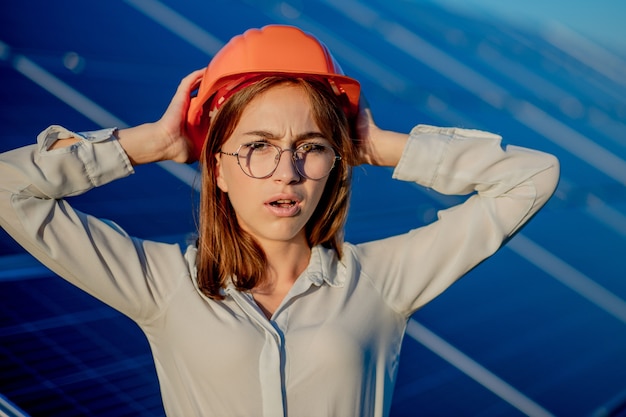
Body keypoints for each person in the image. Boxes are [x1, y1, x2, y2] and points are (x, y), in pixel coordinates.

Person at [0, 24, 559, 417]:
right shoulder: (162, 285)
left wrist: (382, 145)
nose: (287, 173)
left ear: (336, 161)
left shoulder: (382, 280)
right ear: (217, 168)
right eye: (258, 146)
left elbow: (531, 178)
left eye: (311, 147)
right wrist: (152, 142)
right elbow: (9, 189)